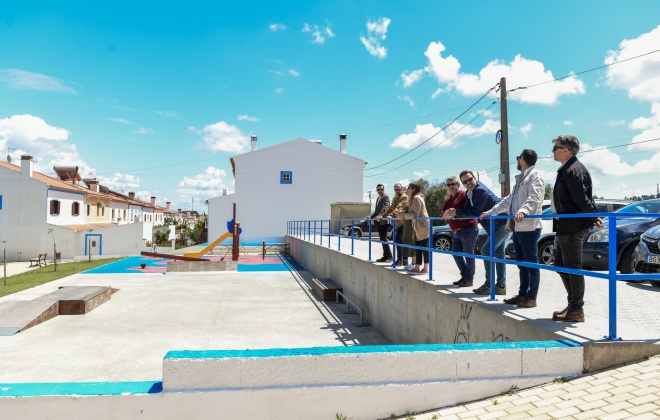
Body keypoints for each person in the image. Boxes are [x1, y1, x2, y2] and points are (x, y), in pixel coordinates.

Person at [481, 150, 544, 307]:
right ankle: (522, 294)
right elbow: (508, 201)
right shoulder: (521, 178)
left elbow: (535, 197)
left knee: (531, 263)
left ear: (522, 159)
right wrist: (490, 212)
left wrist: (523, 210)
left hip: (529, 227)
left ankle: (532, 297)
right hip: (517, 227)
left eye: (518, 159)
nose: (517, 161)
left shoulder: (535, 175)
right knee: (521, 263)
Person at [551, 135, 603, 322]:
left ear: (566, 150)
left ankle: (577, 309)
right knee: (560, 265)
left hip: (573, 226)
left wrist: (593, 215)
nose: (552, 151)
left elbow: (581, 198)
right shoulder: (568, 168)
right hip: (566, 225)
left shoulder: (573, 169)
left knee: (572, 267)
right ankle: (573, 304)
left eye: (555, 147)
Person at [443, 171, 507, 295]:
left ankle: (489, 285)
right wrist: (452, 212)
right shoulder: (469, 193)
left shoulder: (480, 191)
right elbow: (467, 209)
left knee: (486, 251)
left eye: (470, 179)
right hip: (494, 225)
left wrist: (456, 212)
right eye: (465, 182)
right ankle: (501, 286)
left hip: (501, 223)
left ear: (475, 178)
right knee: (499, 254)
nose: (468, 183)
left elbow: (476, 212)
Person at [441, 176, 479, 287]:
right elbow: (443, 211)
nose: (451, 186)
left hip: (468, 228)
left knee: (468, 255)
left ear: (458, 185)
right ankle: (464, 276)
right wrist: (445, 214)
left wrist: (455, 212)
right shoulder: (448, 198)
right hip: (455, 231)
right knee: (455, 253)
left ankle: (469, 279)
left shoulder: (464, 194)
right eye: (448, 185)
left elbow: (469, 210)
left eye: (453, 184)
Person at [398, 182, 430, 274]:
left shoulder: (416, 198)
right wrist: (403, 213)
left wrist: (403, 215)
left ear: (413, 189)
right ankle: (417, 267)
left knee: (424, 247)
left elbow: (415, 214)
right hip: (418, 226)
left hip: (422, 226)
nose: (407, 190)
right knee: (418, 247)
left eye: (408, 188)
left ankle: (426, 268)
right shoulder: (412, 199)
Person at [381, 183, 409, 266]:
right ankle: (404, 260)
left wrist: (391, 215)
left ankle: (400, 260)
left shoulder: (404, 197)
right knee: (401, 241)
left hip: (405, 223)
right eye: (396, 189)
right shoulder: (396, 198)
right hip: (400, 223)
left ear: (402, 189)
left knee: (398, 240)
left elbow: (399, 208)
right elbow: (391, 208)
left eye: (399, 189)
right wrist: (382, 216)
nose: (397, 191)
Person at [366, 183, 392, 262]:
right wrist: (371, 216)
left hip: (384, 221)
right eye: (378, 190)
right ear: (376, 190)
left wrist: (380, 216)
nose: (380, 191)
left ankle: (390, 256)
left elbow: (385, 207)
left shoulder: (386, 197)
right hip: (378, 222)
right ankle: (386, 256)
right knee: (382, 239)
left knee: (384, 238)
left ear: (383, 190)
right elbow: (377, 211)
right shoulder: (378, 198)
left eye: (381, 189)